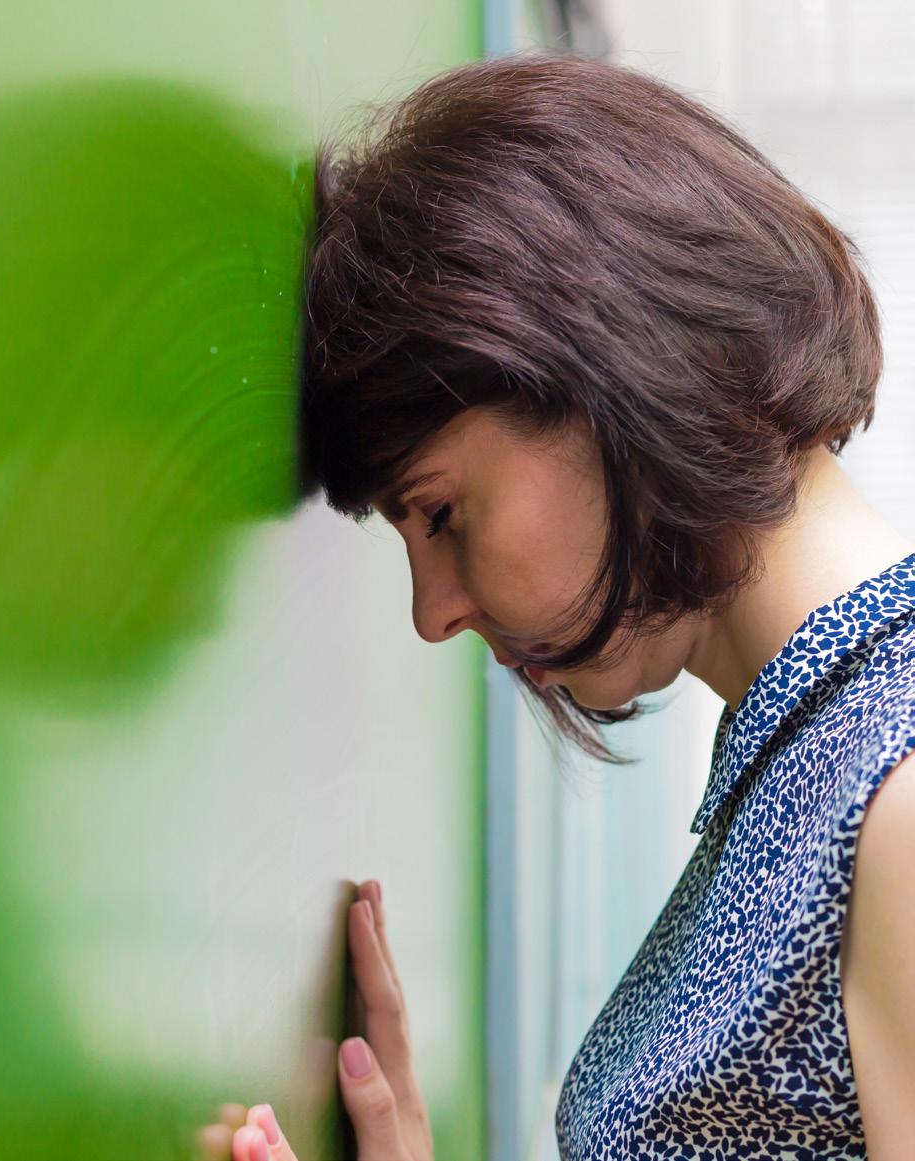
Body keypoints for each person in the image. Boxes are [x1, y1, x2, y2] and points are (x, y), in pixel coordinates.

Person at [198, 50, 915, 1160]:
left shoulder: (896, 781)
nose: (432, 614)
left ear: (607, 372)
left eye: (439, 513)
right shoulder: (811, 746)